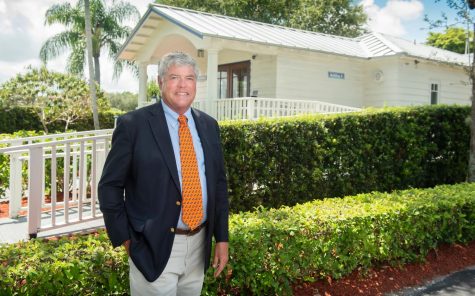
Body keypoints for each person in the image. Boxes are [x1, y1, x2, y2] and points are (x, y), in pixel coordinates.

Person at [98, 51, 229, 295]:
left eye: (189, 78)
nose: (182, 85)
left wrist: (221, 239)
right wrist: (127, 240)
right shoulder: (133, 125)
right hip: (152, 247)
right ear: (160, 82)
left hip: (200, 245)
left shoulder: (209, 125)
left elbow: (218, 185)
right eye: (174, 77)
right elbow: (109, 187)